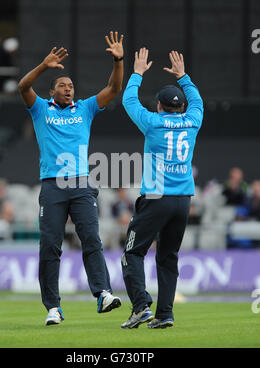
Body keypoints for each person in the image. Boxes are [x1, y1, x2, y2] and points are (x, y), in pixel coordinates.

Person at [18, 31, 124, 326]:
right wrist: (43, 66)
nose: (68, 88)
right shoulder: (40, 109)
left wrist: (119, 60)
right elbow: (22, 85)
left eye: (71, 85)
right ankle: (53, 307)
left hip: (80, 183)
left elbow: (114, 88)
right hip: (52, 185)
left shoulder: (86, 108)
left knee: (91, 239)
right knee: (50, 245)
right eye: (63, 85)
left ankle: (103, 293)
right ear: (51, 92)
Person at [120, 49, 203, 329]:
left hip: (156, 197)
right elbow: (197, 102)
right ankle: (165, 314)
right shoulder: (192, 122)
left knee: (132, 253)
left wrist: (137, 73)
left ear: (158, 105)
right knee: (168, 257)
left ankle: (141, 307)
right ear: (181, 107)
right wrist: (184, 76)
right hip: (183, 201)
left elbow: (129, 101)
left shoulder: (153, 123)